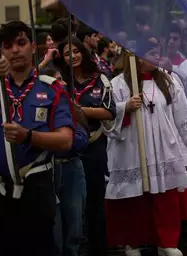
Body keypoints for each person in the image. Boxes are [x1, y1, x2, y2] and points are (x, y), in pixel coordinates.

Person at [0, 21, 74, 255]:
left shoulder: (51, 88)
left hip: (36, 189)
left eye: (21, 43)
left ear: (32, 47)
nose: (15, 50)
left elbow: (65, 140)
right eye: (7, 46)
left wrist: (28, 136)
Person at [104, 38, 187, 256]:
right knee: (133, 198)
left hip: (163, 148)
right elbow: (107, 118)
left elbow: (183, 111)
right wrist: (125, 107)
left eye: (157, 50)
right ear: (134, 56)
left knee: (165, 197)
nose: (156, 54)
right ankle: (131, 243)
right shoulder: (118, 85)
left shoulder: (168, 81)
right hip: (132, 148)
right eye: (150, 51)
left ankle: (167, 242)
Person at [56, 37, 116, 256]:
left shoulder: (100, 79)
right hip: (69, 150)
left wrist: (78, 109)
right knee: (71, 208)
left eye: (75, 51)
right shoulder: (60, 81)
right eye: (65, 53)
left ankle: (99, 249)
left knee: (95, 203)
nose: (72, 56)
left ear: (82, 51)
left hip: (94, 146)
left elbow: (109, 112)